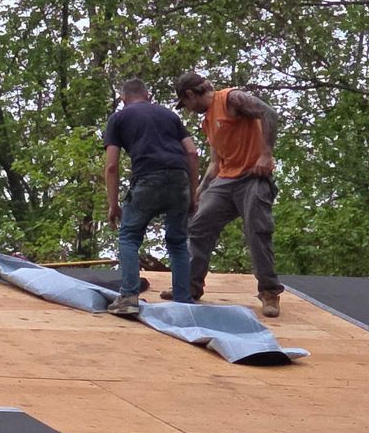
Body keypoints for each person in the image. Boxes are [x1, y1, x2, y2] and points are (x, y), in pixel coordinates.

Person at [172, 71, 282, 317]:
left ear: (190, 95)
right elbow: (215, 163)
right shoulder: (208, 121)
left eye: (186, 104)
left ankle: (269, 292)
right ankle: (189, 288)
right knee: (199, 224)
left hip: (253, 177)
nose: (188, 109)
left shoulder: (231, 99)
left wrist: (265, 154)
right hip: (225, 180)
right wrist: (199, 191)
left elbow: (269, 113)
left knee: (257, 229)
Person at [103, 77, 202, 317]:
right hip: (179, 179)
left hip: (147, 179)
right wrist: (192, 194)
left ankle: (128, 297)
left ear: (123, 99)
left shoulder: (118, 118)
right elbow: (192, 153)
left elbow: (112, 167)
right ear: (148, 96)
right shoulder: (169, 116)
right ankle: (183, 300)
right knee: (177, 241)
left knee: (129, 236)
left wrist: (113, 204)